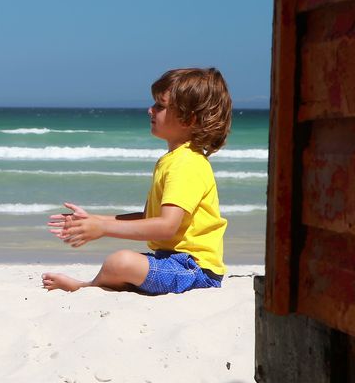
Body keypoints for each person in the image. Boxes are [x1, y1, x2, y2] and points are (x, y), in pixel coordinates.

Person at [41, 68, 232, 295]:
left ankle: (85, 286)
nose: (150, 110)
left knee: (120, 262)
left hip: (194, 270)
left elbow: (166, 227)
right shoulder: (173, 160)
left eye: (160, 106)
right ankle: (92, 284)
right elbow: (149, 219)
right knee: (119, 265)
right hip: (170, 261)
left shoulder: (187, 164)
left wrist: (103, 228)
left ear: (188, 119)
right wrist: (94, 220)